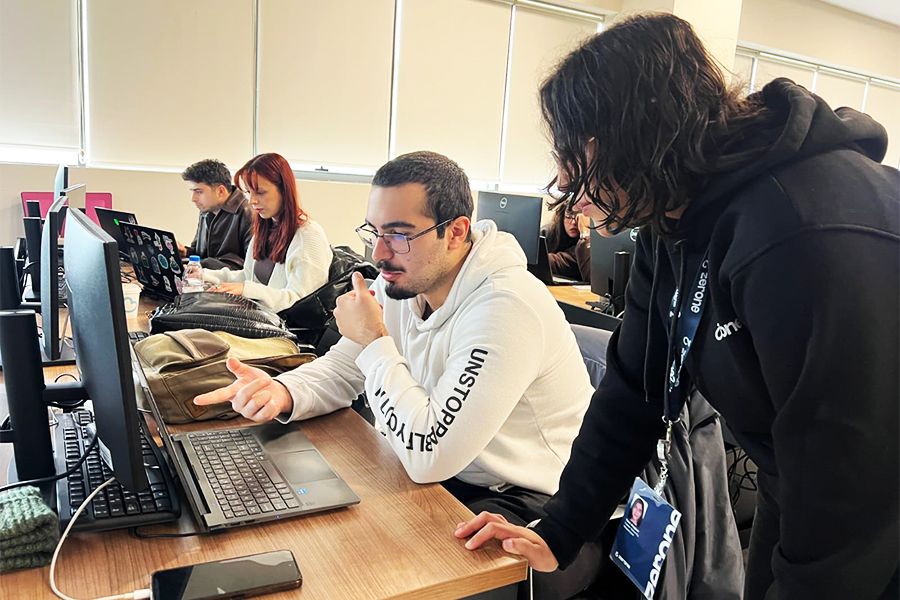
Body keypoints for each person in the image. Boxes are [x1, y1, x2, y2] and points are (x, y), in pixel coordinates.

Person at [456, 13, 899, 600]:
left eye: (572, 156)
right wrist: (560, 529)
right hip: (797, 481)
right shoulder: (672, 221)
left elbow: (853, 489)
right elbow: (633, 391)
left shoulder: (803, 231)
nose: (565, 185)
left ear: (633, 134)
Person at [194, 151, 603, 600]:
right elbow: (346, 366)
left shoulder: (505, 307)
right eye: (375, 231)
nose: (378, 253)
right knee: (322, 538)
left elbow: (430, 454)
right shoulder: (407, 280)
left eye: (399, 235)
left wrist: (374, 341)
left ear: (456, 232)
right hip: (448, 471)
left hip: (538, 502)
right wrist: (283, 390)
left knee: (386, 572)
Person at [203, 153, 333, 313]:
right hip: (259, 316)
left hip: (284, 325)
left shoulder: (307, 236)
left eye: (260, 192)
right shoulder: (265, 227)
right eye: (249, 192)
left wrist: (247, 289)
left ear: (284, 190)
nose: (252, 201)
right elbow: (247, 277)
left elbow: (302, 302)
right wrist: (203, 275)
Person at [178, 159, 254, 270]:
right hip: (205, 278)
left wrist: (203, 265)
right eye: (192, 191)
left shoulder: (248, 214)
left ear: (221, 191)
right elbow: (199, 253)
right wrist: (185, 252)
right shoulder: (206, 211)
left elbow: (250, 267)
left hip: (226, 280)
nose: (193, 199)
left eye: (199, 191)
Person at [543, 205, 590, 281]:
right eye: (568, 217)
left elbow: (559, 262)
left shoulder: (587, 244)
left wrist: (585, 232)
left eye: (579, 218)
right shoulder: (548, 232)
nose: (573, 222)